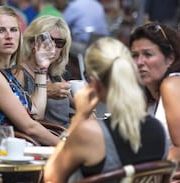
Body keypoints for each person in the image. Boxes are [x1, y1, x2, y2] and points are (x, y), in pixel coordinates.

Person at [44, 37, 167, 182]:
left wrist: (80, 117)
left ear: (94, 82)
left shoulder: (89, 133)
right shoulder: (158, 129)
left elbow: (51, 177)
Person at [0, 6, 59, 146]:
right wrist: (66, 147)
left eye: (14, 30)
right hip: (7, 153)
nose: (9, 36)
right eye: (0, 30)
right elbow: (30, 127)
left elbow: (36, 113)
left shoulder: (6, 71)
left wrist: (42, 68)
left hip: (22, 147)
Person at [129, 22, 180, 162]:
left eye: (148, 54)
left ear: (170, 58)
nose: (140, 62)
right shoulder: (148, 95)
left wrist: (139, 166)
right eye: (134, 55)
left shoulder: (172, 84)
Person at [14, 15, 74, 127]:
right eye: (47, 41)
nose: (53, 47)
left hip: (68, 134)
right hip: (46, 139)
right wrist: (46, 92)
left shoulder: (54, 74)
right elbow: (17, 110)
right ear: (32, 42)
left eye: (59, 43)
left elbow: (77, 104)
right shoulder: (19, 73)